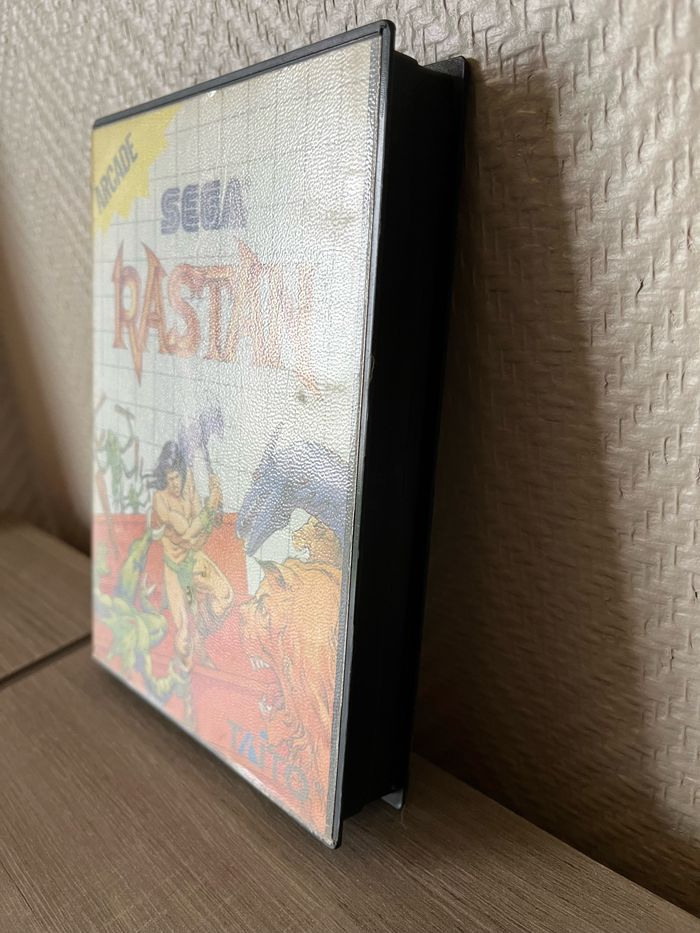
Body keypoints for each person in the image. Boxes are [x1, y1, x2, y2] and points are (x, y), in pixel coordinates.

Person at [148, 441, 233, 676]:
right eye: (169, 478)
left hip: (193, 557)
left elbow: (198, 536)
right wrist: (211, 505)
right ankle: (182, 675)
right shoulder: (160, 500)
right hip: (175, 567)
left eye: (177, 477)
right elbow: (187, 531)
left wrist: (214, 505)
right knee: (184, 633)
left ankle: (201, 636)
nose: (174, 483)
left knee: (225, 595)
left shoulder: (189, 485)